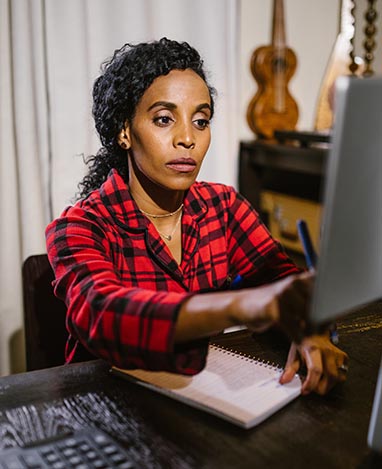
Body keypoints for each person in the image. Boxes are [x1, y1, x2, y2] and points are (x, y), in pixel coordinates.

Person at [45, 37, 348, 396]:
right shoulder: (79, 227)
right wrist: (243, 304)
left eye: (201, 121)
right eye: (163, 119)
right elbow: (103, 315)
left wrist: (307, 330)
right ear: (124, 131)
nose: (187, 138)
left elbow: (282, 281)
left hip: (204, 402)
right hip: (110, 411)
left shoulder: (224, 207)